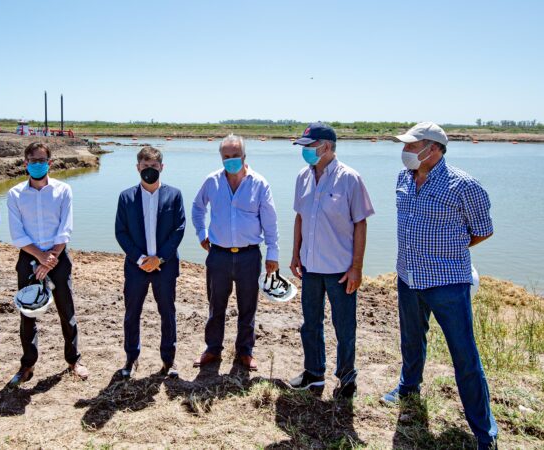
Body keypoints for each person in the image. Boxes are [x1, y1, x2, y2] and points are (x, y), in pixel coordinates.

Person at [382, 122, 498, 449]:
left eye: (411, 145)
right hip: (408, 278)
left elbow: (482, 230)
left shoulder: (463, 185)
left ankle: (483, 431)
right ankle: (408, 388)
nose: (405, 151)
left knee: (465, 356)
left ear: (432, 149)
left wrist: (446, 252)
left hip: (447, 283)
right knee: (411, 340)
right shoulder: (403, 179)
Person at [286, 122, 374, 398]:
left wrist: (357, 267)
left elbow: (361, 224)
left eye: (309, 147)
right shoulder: (303, 176)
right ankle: (314, 373)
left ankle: (347, 378)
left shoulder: (350, 178)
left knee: (344, 326)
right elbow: (300, 217)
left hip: (340, 270)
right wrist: (295, 254)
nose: (305, 152)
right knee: (310, 323)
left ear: (325, 147)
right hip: (310, 267)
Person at [192, 134, 279, 371]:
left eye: (235, 156)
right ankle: (213, 349)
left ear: (244, 156)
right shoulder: (212, 181)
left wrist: (273, 253)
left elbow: (270, 222)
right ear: (221, 157)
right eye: (226, 157)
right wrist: (201, 234)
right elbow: (197, 207)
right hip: (218, 255)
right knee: (215, 305)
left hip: (249, 256)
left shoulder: (259, 183)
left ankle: (245, 352)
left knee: (248, 306)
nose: (231, 160)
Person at [6, 142, 88, 387]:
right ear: (25, 163)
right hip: (28, 258)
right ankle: (27, 365)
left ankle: (74, 360)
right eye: (33, 160)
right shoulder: (15, 194)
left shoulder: (63, 190)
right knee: (28, 312)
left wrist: (51, 258)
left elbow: (65, 228)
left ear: (49, 163)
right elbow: (17, 234)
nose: (37, 164)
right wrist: (39, 258)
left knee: (67, 310)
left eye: (42, 160)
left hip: (58, 258)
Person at [115, 146, 186, 378]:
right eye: (145, 167)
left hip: (165, 267)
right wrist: (140, 258)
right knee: (132, 313)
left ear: (161, 167)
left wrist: (160, 258)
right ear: (137, 168)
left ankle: (168, 361)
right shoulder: (126, 197)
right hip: (136, 267)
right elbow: (121, 232)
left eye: (154, 167)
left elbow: (179, 229)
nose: (149, 170)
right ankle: (131, 358)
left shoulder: (174, 195)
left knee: (168, 313)